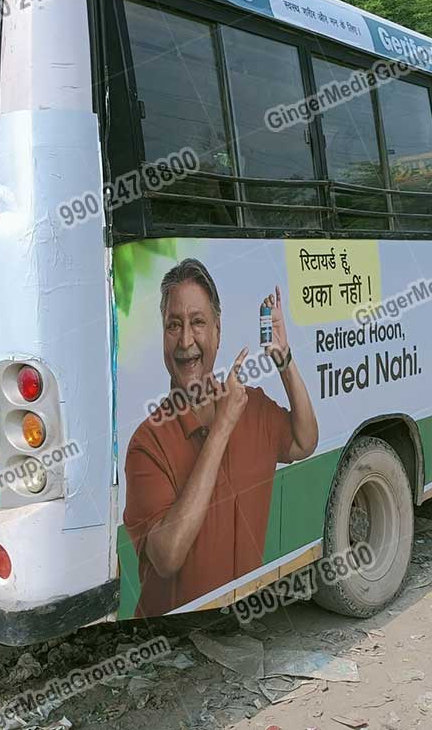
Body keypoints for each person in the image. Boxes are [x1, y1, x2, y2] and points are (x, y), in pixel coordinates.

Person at [124, 258, 318, 617]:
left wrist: (284, 360)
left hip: (239, 619)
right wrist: (224, 426)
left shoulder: (251, 404)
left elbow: (306, 441)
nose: (186, 341)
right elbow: (167, 556)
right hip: (173, 643)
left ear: (217, 331)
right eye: (173, 325)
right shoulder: (146, 444)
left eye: (198, 323)